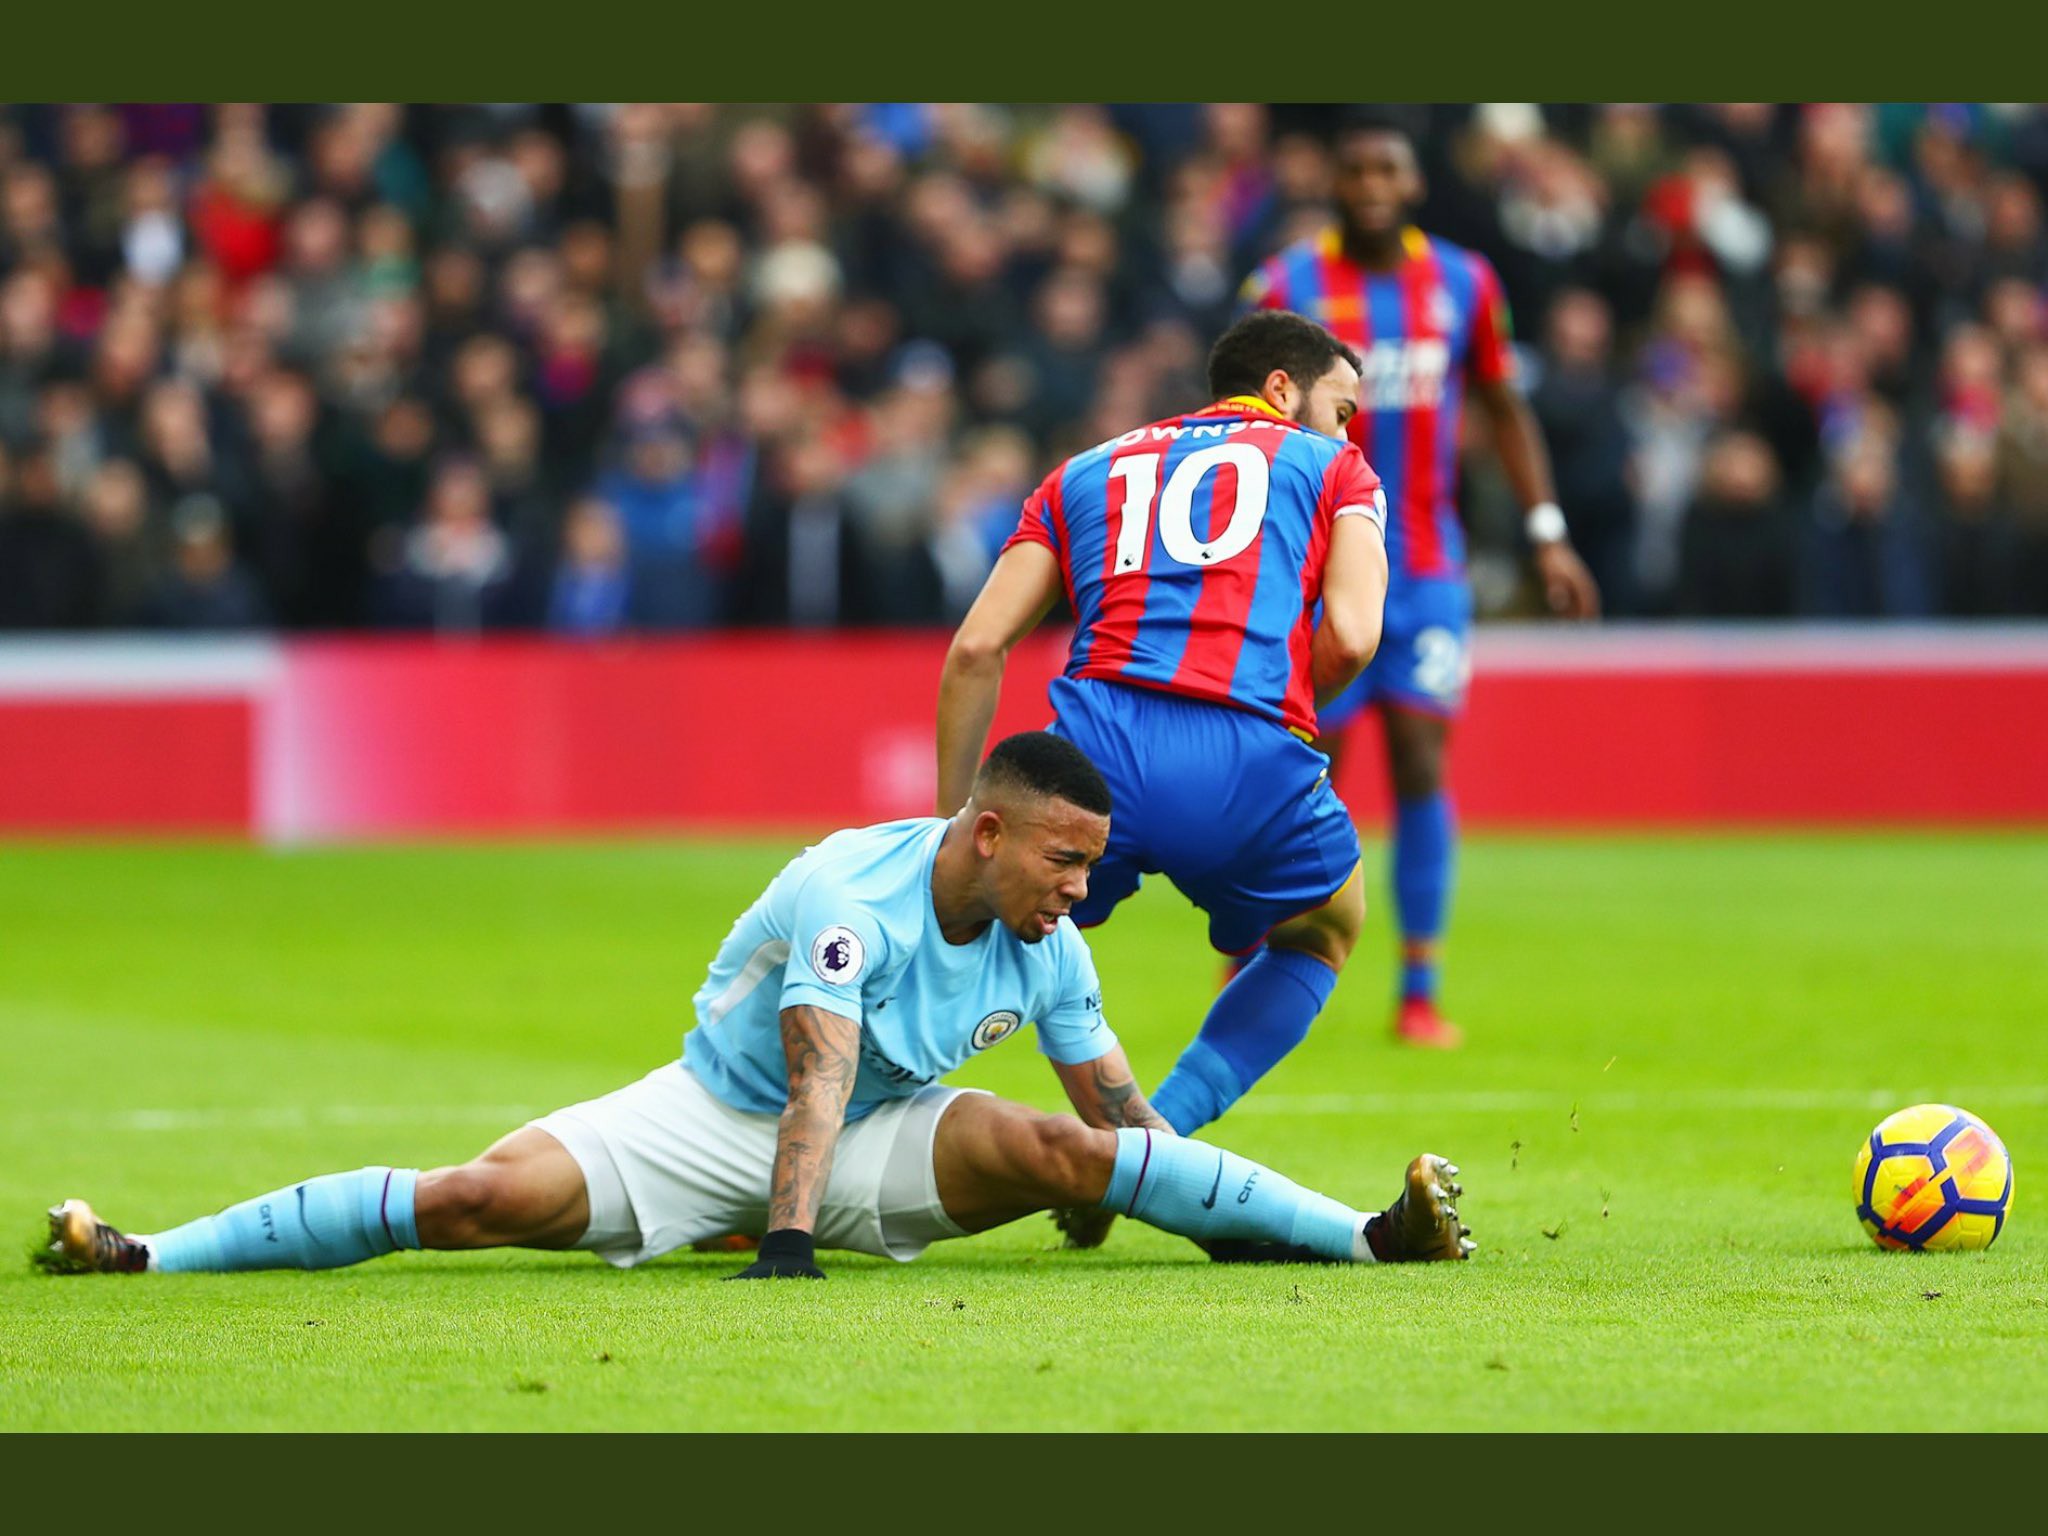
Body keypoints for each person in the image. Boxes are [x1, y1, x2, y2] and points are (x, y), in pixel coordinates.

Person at [39, 733, 1472, 1281]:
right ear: (983, 833)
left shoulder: (1052, 935)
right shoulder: (853, 895)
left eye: (1090, 867)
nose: (1081, 890)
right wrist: (784, 1248)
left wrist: (1179, 1205)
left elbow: (1124, 1121)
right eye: (1063, 859)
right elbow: (812, 1082)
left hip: (892, 1134)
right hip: (716, 1120)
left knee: (1063, 1150)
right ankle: (152, 1255)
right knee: (467, 1199)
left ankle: (1366, 1237)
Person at [936, 311, 1388, 1179]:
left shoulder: (1080, 472)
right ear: (1283, 391)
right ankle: (1157, 1146)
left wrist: (950, 823)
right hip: (1249, 753)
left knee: (959, 932)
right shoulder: (1336, 469)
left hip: (1091, 758)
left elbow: (975, 650)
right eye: (1342, 407)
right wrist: (1283, 708)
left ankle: (782, 1149)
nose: (1347, 428)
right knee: (1324, 929)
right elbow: (1357, 636)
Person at [1243, 117, 1601, 1050]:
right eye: (1353, 168)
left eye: (1386, 170)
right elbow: (1239, 421)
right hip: (1314, 568)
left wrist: (1546, 533)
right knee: (1305, 764)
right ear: (1332, 179)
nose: (1369, 183)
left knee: (1421, 763)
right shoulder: (1283, 286)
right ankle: (1263, 952)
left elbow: (1501, 404)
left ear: (1412, 184)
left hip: (1428, 568)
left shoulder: (1462, 281)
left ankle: (1417, 989)